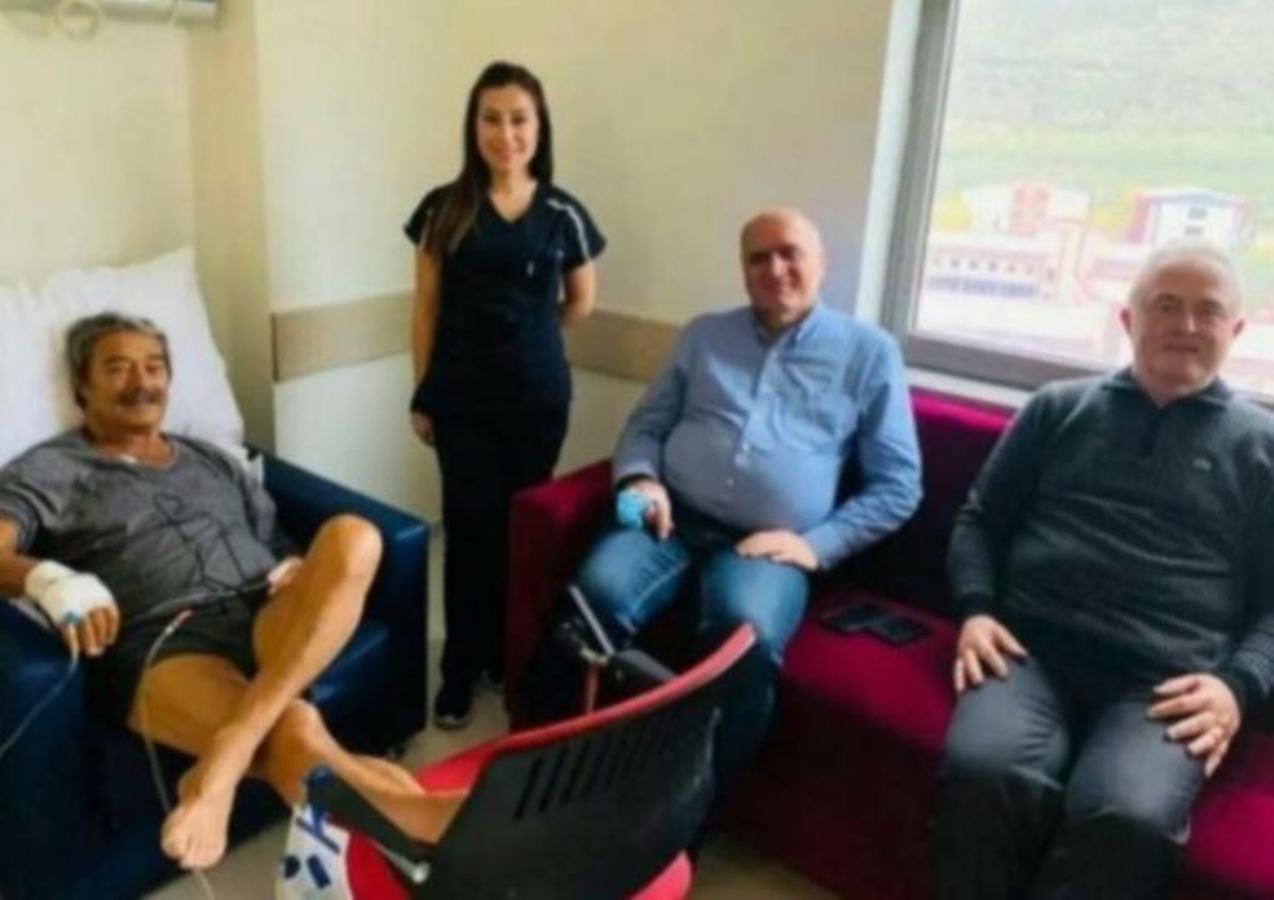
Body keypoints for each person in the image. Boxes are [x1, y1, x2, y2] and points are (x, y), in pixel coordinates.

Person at [0, 312, 461, 872]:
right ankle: (437, 821)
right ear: (82, 386)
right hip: (162, 643)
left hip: (261, 609)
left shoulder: (212, 459)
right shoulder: (51, 468)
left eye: (154, 367)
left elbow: (275, 539)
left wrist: (296, 567)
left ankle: (224, 759)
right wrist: (47, 579)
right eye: (117, 369)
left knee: (355, 536)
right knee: (294, 730)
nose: (141, 382)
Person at [933, 242, 1274, 899]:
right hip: (1028, 653)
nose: (1186, 325)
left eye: (1208, 311)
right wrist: (975, 609)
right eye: (1166, 305)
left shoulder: (1262, 447)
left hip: (1166, 684)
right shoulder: (1057, 408)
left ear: (1236, 330)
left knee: (1127, 818)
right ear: (1128, 319)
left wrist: (1237, 686)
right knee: (982, 771)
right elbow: (980, 521)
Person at [573, 208, 922, 798]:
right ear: (743, 270)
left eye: (790, 254)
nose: (774, 269)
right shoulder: (704, 336)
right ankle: (570, 771)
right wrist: (639, 479)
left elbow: (899, 485)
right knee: (593, 598)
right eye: (758, 257)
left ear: (822, 264)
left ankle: (695, 802)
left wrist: (815, 546)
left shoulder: (868, 353)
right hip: (670, 516)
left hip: (766, 548)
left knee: (746, 639)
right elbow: (646, 426)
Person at [405, 60, 606, 729]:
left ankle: (505, 658)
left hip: (536, 400)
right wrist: (423, 392)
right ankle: (458, 669)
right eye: (490, 119)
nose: (505, 133)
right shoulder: (444, 208)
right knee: (467, 533)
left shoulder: (562, 212)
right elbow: (426, 308)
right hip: (460, 399)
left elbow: (581, 301)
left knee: (521, 534)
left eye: (519, 119)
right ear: (473, 126)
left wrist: (528, 334)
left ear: (539, 128)